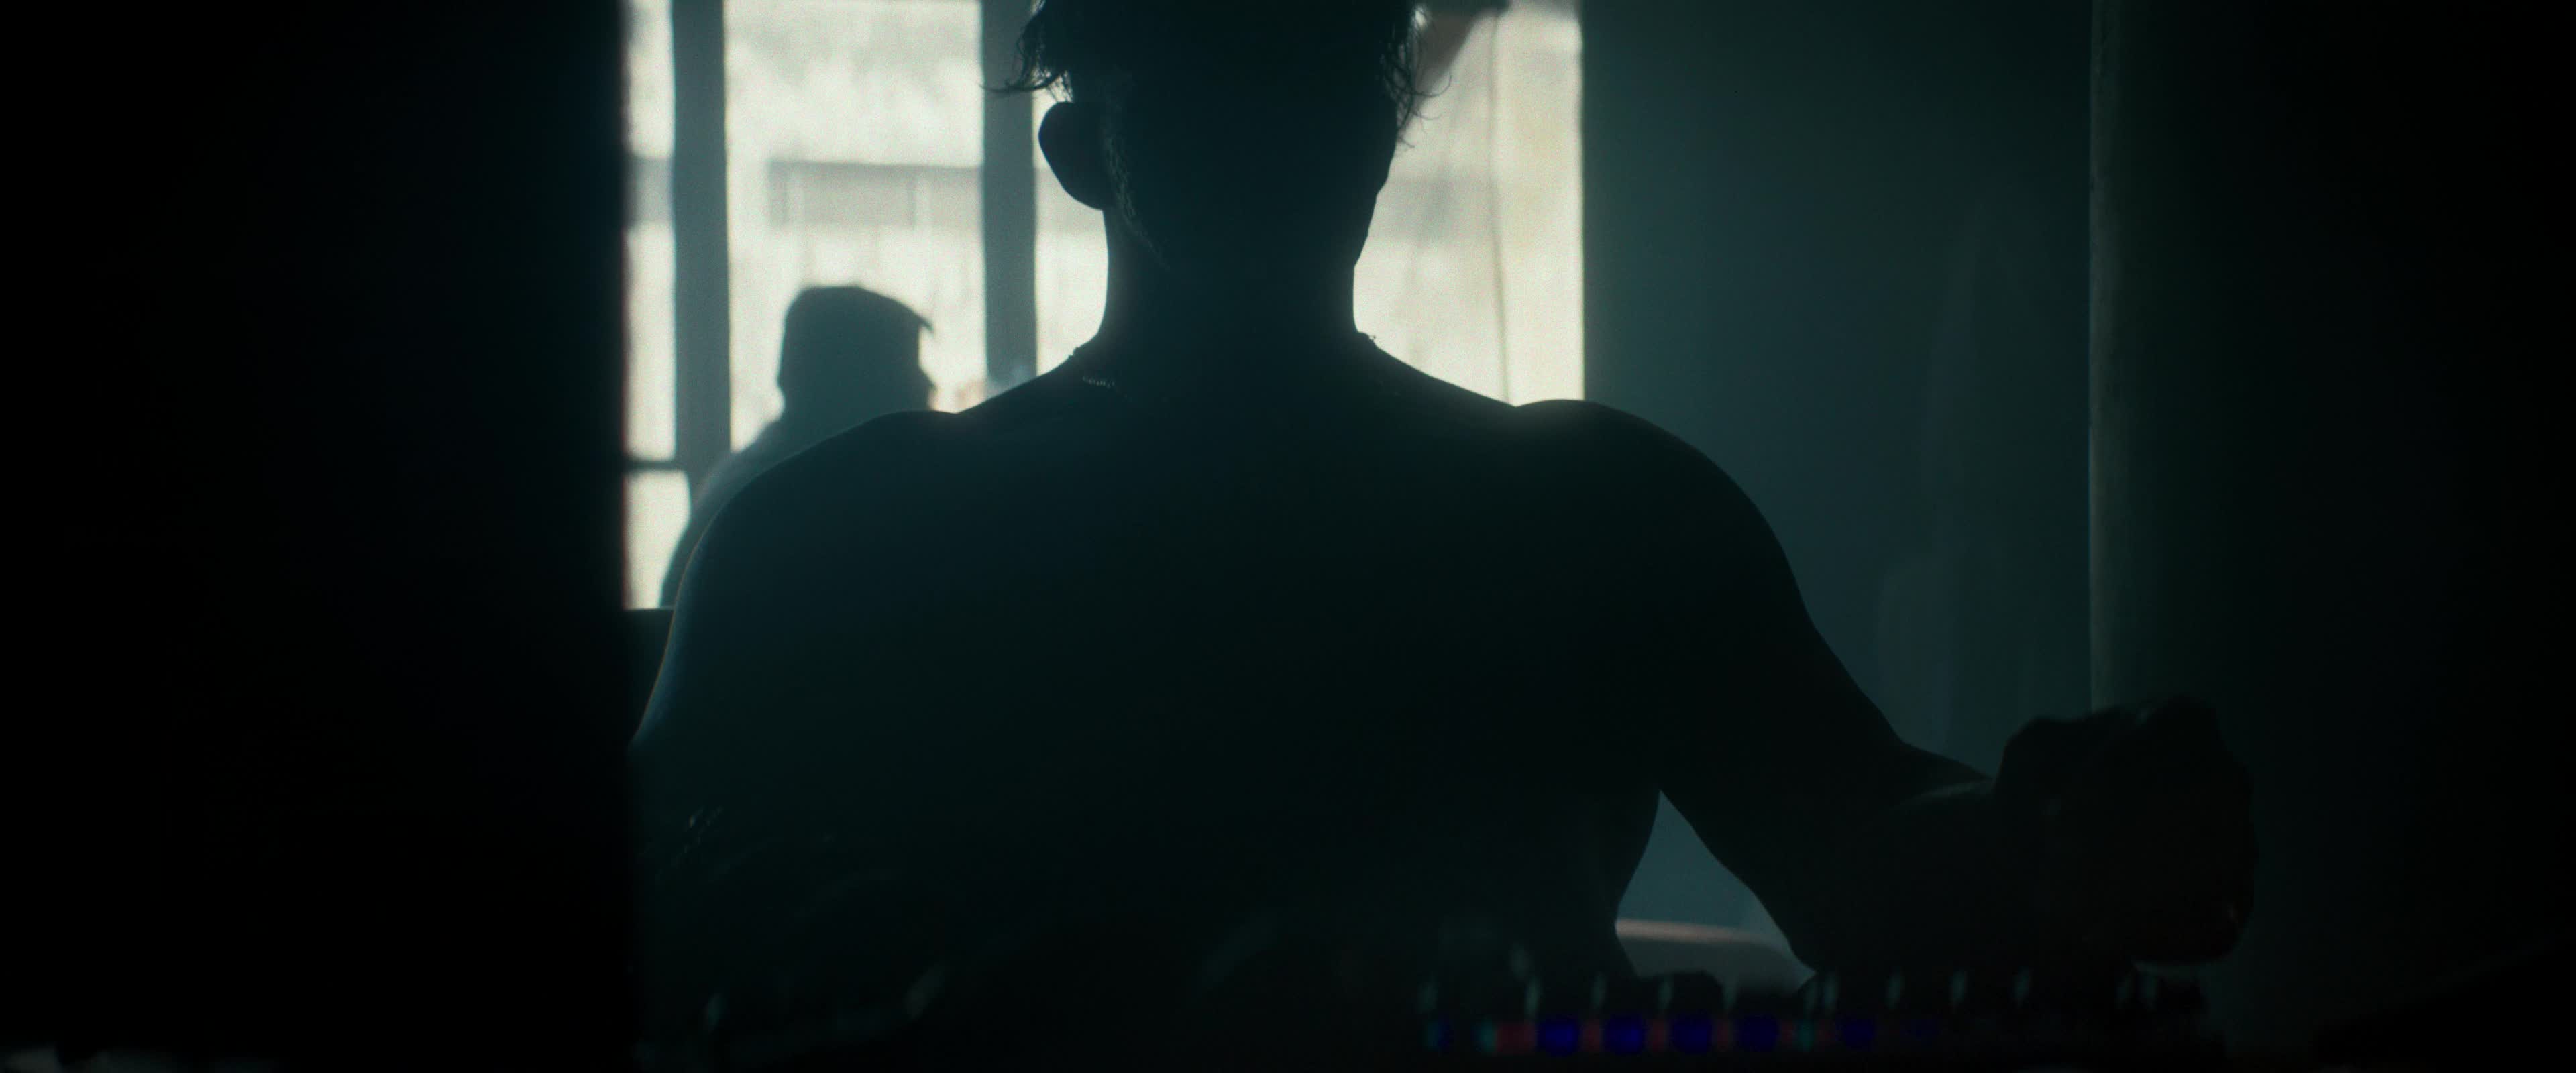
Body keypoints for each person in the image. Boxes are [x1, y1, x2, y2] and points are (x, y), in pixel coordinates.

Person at [630, 1, 2255, 1064]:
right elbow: (661, 906)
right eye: (1215, 62)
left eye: (1319, 56)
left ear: (1381, 114)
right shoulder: (852, 529)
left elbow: (1852, 829)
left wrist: (2051, 832)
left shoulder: (1595, 506)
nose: (1279, 106)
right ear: (1076, 148)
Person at [657, 286, 934, 607]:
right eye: (905, 366)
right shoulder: (803, 497)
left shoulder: (766, 474)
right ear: (851, 377)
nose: (927, 384)